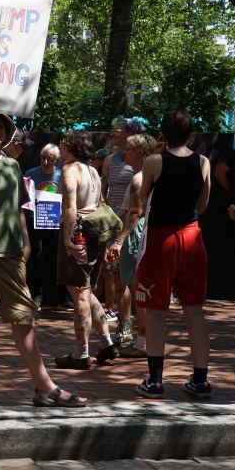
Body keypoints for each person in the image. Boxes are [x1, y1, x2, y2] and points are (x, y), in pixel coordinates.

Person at [0, 112, 87, 410]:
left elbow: (17, 210)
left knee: (23, 318)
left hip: (11, 253)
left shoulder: (13, 166)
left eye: (2, 126)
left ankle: (44, 388)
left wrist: (25, 243)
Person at [131, 111, 212, 399]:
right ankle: (201, 380)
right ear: (191, 133)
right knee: (194, 310)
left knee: (155, 312)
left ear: (163, 133)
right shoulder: (203, 162)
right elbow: (203, 205)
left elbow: (142, 197)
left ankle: (154, 380)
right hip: (192, 236)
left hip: (161, 239)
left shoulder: (154, 161)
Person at [56, 130, 117, 369]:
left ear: (71, 146)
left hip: (80, 233)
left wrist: (71, 239)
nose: (60, 146)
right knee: (87, 290)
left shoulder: (70, 170)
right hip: (94, 233)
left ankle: (81, 353)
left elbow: (71, 207)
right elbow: (100, 203)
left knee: (79, 293)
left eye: (63, 142)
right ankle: (107, 343)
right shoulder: (93, 170)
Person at [106, 134, 157, 358]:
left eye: (128, 149)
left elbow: (135, 213)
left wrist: (120, 240)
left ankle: (143, 342)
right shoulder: (142, 176)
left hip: (135, 234)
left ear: (139, 152)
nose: (124, 152)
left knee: (138, 289)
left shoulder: (139, 179)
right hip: (135, 232)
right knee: (135, 287)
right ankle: (142, 338)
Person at [100, 117, 146, 322]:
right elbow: (103, 190)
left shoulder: (142, 164)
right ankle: (114, 311)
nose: (113, 134)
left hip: (132, 220)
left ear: (131, 133)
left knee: (132, 273)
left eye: (117, 130)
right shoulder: (110, 159)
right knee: (110, 269)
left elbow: (138, 202)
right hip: (113, 218)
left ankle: (136, 317)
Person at [24, 143, 65, 308]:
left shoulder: (62, 176)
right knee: (35, 258)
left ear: (56, 160)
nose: (46, 162)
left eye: (50, 159)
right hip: (35, 220)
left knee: (53, 258)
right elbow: (24, 198)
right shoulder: (31, 173)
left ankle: (52, 295)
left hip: (54, 222)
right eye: (43, 157)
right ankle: (34, 293)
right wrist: (31, 200)